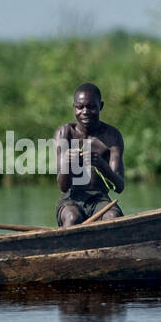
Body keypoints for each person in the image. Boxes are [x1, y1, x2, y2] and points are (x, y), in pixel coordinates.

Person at [54, 82, 125, 227]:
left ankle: (110, 250)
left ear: (101, 106)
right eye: (80, 107)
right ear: (74, 107)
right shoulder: (65, 133)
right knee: (73, 218)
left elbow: (119, 186)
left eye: (91, 107)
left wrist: (101, 164)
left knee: (112, 217)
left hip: (100, 200)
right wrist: (68, 164)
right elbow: (62, 186)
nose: (85, 111)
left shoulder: (112, 136)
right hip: (70, 200)